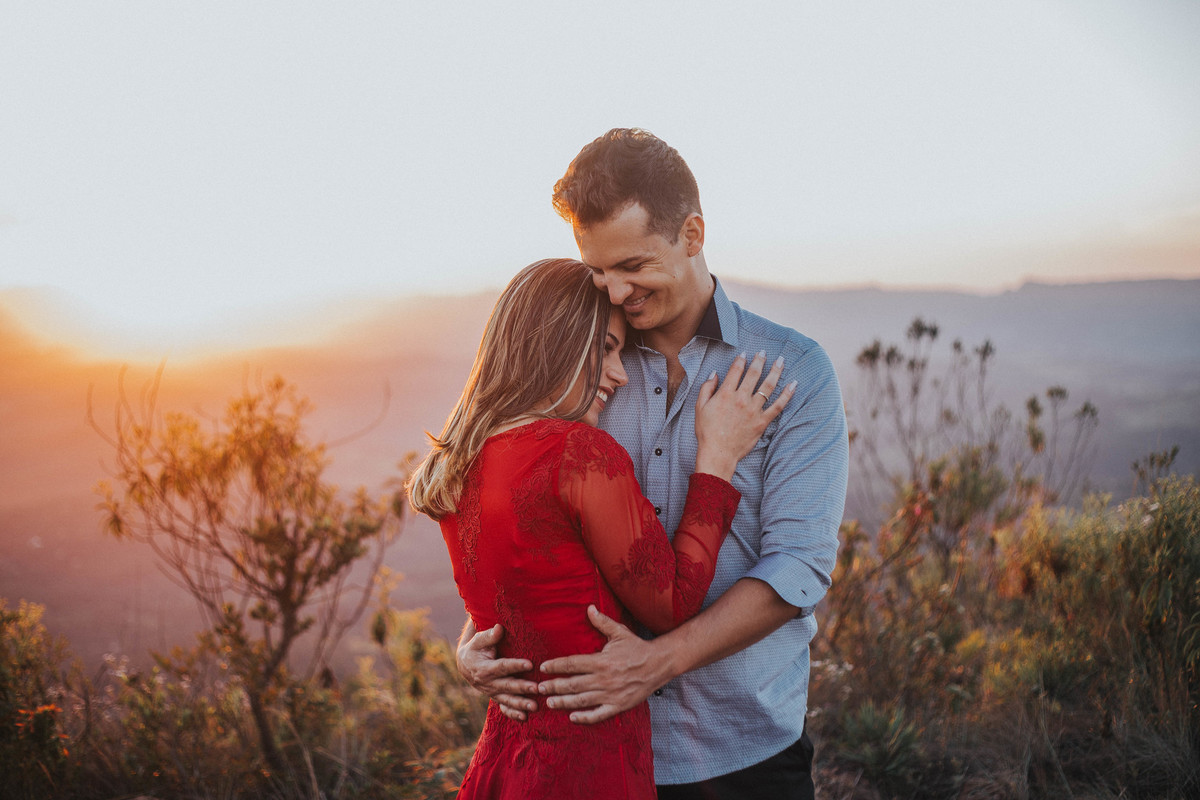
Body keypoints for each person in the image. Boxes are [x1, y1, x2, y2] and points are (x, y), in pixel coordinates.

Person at [457, 129, 849, 799]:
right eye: (598, 271)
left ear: (692, 234)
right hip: (598, 752)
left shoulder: (794, 371)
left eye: (632, 265)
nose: (613, 291)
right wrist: (476, 638)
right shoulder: (582, 372)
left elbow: (798, 566)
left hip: (745, 748)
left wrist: (655, 665)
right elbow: (528, 522)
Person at [407, 257, 794, 799]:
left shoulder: (459, 464)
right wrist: (718, 461)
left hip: (506, 759)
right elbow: (673, 601)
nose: (619, 373)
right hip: (586, 765)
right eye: (606, 350)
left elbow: (518, 604)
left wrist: (466, 650)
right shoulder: (578, 453)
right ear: (557, 345)